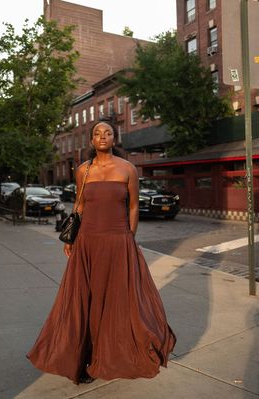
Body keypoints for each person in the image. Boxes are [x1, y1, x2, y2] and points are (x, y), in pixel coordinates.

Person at [27, 120, 176, 384]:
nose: (102, 136)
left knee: (119, 299)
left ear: (114, 138)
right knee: (87, 299)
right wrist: (70, 238)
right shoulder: (84, 170)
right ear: (92, 141)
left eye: (107, 132)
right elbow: (80, 206)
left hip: (118, 241)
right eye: (97, 133)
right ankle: (84, 358)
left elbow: (132, 207)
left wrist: (129, 237)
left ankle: (115, 353)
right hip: (88, 242)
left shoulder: (127, 169)